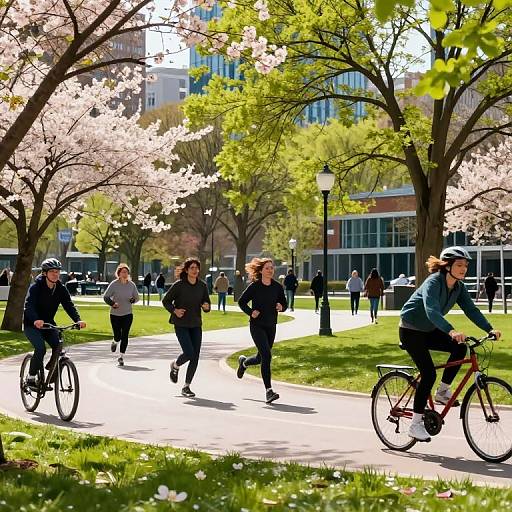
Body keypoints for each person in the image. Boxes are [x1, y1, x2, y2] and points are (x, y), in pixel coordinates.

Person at [399, 246, 501, 442]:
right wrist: (451, 331)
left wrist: (489, 329)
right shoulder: (433, 282)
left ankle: (443, 391)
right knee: (428, 373)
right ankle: (415, 424)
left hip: (428, 329)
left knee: (460, 347)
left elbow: (471, 310)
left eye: (466, 266)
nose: (464, 269)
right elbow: (431, 310)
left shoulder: (458, 287)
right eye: (459, 265)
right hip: (410, 329)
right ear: (447, 266)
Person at [23, 258, 86, 388]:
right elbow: (28, 306)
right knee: (40, 348)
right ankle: (31, 377)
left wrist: (78, 320)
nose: (55, 274)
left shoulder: (61, 289)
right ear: (45, 273)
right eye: (52, 271)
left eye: (57, 271)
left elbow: (69, 305)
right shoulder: (36, 288)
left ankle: (51, 371)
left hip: (48, 324)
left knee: (58, 347)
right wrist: (35, 319)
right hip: (32, 324)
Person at [237, 258, 287, 404]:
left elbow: (284, 303)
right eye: (267, 268)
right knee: (267, 355)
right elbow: (241, 301)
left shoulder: (277, 287)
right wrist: (250, 312)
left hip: (271, 325)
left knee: (261, 358)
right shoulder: (255, 287)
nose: (270, 270)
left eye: (272, 268)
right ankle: (269, 391)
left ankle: (244, 363)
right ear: (261, 271)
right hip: (257, 325)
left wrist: (281, 307)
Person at [162, 258, 211, 398]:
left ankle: (186, 387)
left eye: (197, 268)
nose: (195, 270)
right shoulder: (179, 285)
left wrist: (207, 307)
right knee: (189, 353)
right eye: (192, 268)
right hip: (181, 324)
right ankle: (176, 365)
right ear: (186, 270)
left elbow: (206, 303)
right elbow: (166, 301)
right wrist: (175, 310)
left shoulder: (202, 286)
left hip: (196, 324)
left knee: (195, 356)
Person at [103, 263, 140, 367]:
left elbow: (137, 298)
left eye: (126, 272)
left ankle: (121, 356)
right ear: (118, 273)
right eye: (123, 272)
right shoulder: (114, 284)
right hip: (115, 314)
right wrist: (113, 304)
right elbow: (106, 297)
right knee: (118, 335)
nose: (125, 274)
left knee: (125, 335)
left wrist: (132, 300)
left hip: (128, 314)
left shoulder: (131, 285)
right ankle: (115, 341)